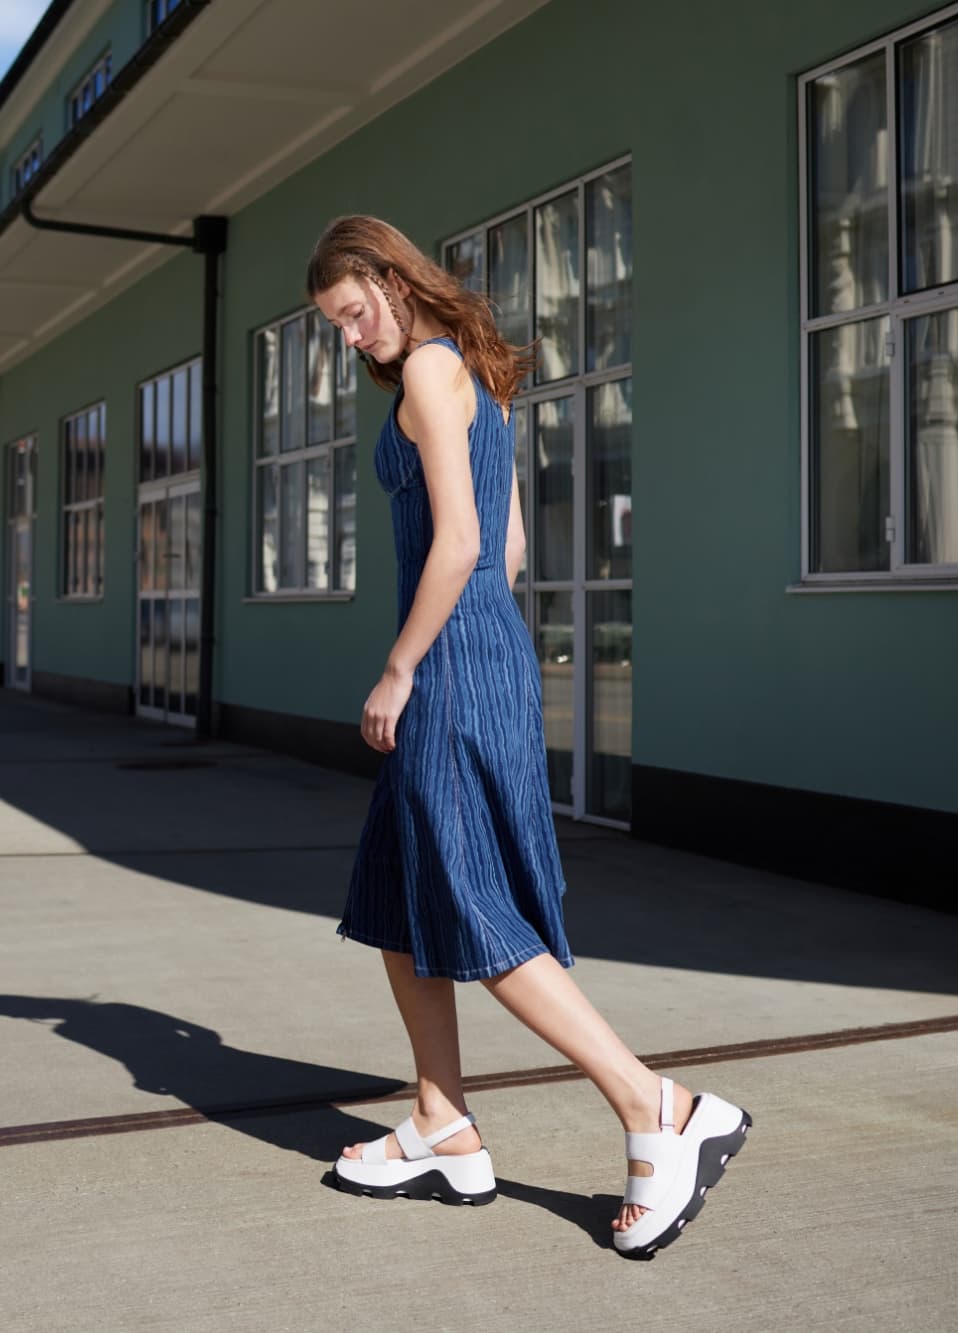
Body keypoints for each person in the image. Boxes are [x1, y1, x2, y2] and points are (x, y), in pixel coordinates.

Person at [306, 216, 750, 1257]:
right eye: (333, 325)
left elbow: (462, 540)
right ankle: (441, 1119)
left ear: (383, 277)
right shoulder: (473, 372)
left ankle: (660, 1109)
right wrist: (476, 645)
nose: (347, 336)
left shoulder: (426, 368)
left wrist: (409, 665)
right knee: (396, 900)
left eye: (349, 311)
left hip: (451, 670)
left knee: (473, 909)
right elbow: (503, 540)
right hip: (481, 654)